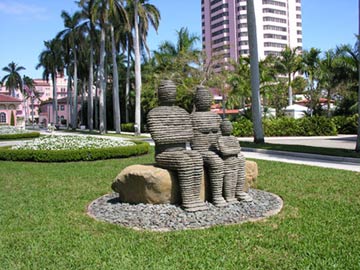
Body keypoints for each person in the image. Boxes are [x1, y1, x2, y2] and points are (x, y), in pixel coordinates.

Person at [147, 80, 207, 212]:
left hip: (181, 150)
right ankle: (188, 200)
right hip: (164, 154)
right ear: (160, 94)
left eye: (172, 90)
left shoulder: (182, 112)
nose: (170, 93)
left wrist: (172, 133)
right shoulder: (154, 113)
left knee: (197, 157)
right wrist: (177, 132)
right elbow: (159, 137)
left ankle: (196, 198)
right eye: (167, 90)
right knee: (185, 161)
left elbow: (189, 135)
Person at [190, 86, 227, 207]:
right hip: (202, 151)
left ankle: (233, 194)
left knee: (239, 159)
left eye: (207, 98)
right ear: (196, 101)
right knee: (217, 162)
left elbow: (221, 135)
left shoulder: (216, 117)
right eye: (202, 98)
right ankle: (217, 196)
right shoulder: (192, 118)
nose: (205, 100)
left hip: (216, 149)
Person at [218, 119, 252, 202]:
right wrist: (233, 151)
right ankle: (229, 197)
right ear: (222, 128)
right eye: (226, 126)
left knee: (235, 177)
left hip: (234, 161)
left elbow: (238, 149)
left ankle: (236, 193)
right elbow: (224, 151)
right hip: (227, 162)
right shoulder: (221, 139)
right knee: (228, 179)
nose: (228, 128)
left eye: (229, 126)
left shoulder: (233, 138)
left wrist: (232, 151)